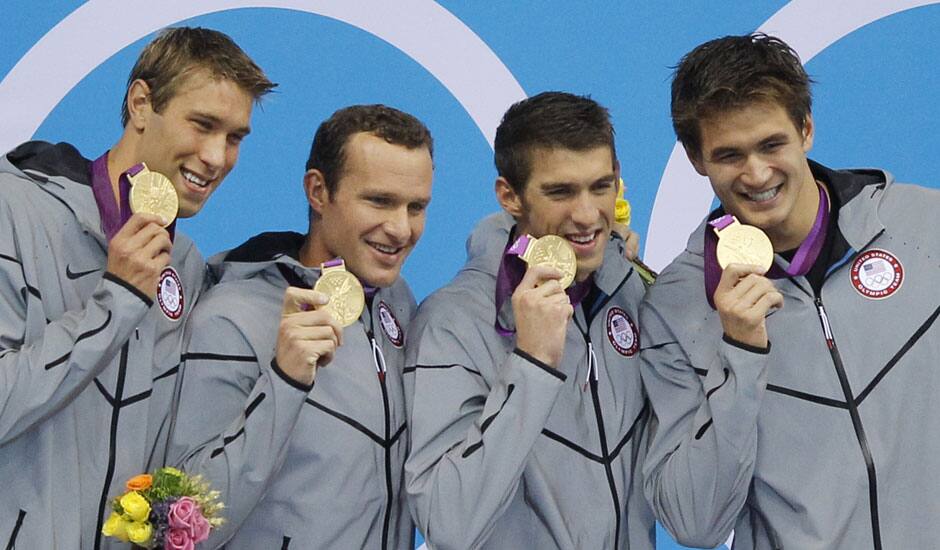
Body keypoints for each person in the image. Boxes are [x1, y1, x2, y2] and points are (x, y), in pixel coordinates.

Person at [640, 33, 940, 550]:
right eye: (729, 155)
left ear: (805, 129)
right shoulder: (677, 306)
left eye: (771, 145)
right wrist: (739, 352)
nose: (756, 174)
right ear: (696, 158)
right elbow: (694, 523)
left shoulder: (923, 225)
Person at [0, 27, 274, 549]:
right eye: (203, 125)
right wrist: (116, 301)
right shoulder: (13, 209)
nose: (217, 157)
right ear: (142, 103)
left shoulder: (186, 268)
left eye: (234, 137)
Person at [168, 104, 433, 549]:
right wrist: (285, 381)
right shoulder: (231, 318)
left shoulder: (397, 304)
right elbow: (187, 520)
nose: (400, 228)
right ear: (318, 191)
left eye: (416, 206)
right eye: (379, 201)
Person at [404, 91, 654, 549]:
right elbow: (447, 520)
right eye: (560, 192)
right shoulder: (452, 323)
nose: (586, 214)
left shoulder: (632, 291)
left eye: (601, 186)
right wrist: (533, 364)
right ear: (509, 196)